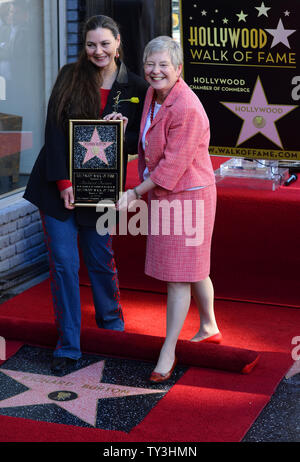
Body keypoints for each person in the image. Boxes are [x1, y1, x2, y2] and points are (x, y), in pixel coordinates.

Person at [24, 15, 148, 373]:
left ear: (118, 42)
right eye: (91, 44)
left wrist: (126, 131)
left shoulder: (136, 86)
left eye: (105, 44)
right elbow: (53, 131)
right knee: (64, 266)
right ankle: (68, 346)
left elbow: (141, 141)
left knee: (100, 261)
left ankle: (113, 331)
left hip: (101, 190)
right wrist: (64, 184)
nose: (98, 51)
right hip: (57, 188)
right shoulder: (68, 76)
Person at [117, 36, 221, 383]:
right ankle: (208, 325)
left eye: (164, 65)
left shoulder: (188, 107)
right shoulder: (151, 94)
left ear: (179, 69)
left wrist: (134, 193)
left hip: (188, 195)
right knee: (193, 267)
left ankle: (168, 349)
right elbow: (149, 142)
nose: (156, 71)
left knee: (178, 276)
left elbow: (172, 167)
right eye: (150, 64)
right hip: (165, 193)